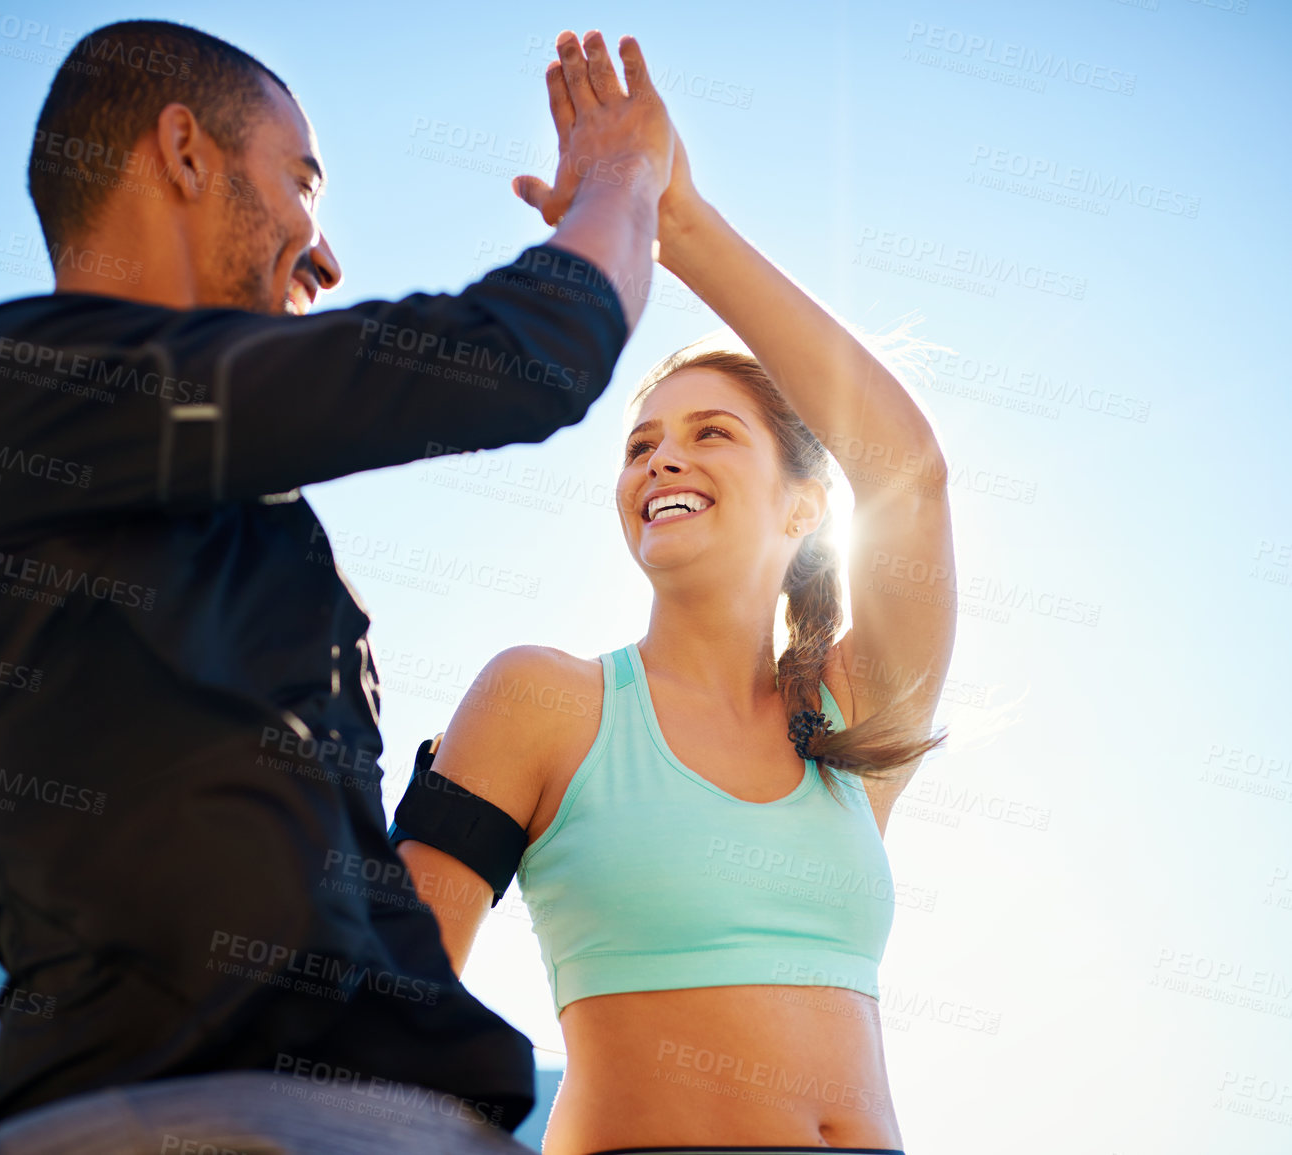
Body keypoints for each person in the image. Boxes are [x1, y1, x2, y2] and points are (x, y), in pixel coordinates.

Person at [0, 20, 677, 1155]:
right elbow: (513, 358)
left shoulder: (202, 490)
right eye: (302, 183)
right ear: (186, 155)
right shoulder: (9, 391)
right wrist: (622, 179)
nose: (325, 253)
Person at [389, 48, 957, 1155]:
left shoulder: (846, 722)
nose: (662, 463)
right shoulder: (545, 703)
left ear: (806, 507)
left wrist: (679, 220)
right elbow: (391, 1007)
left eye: (711, 435)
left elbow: (913, 476)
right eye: (640, 444)